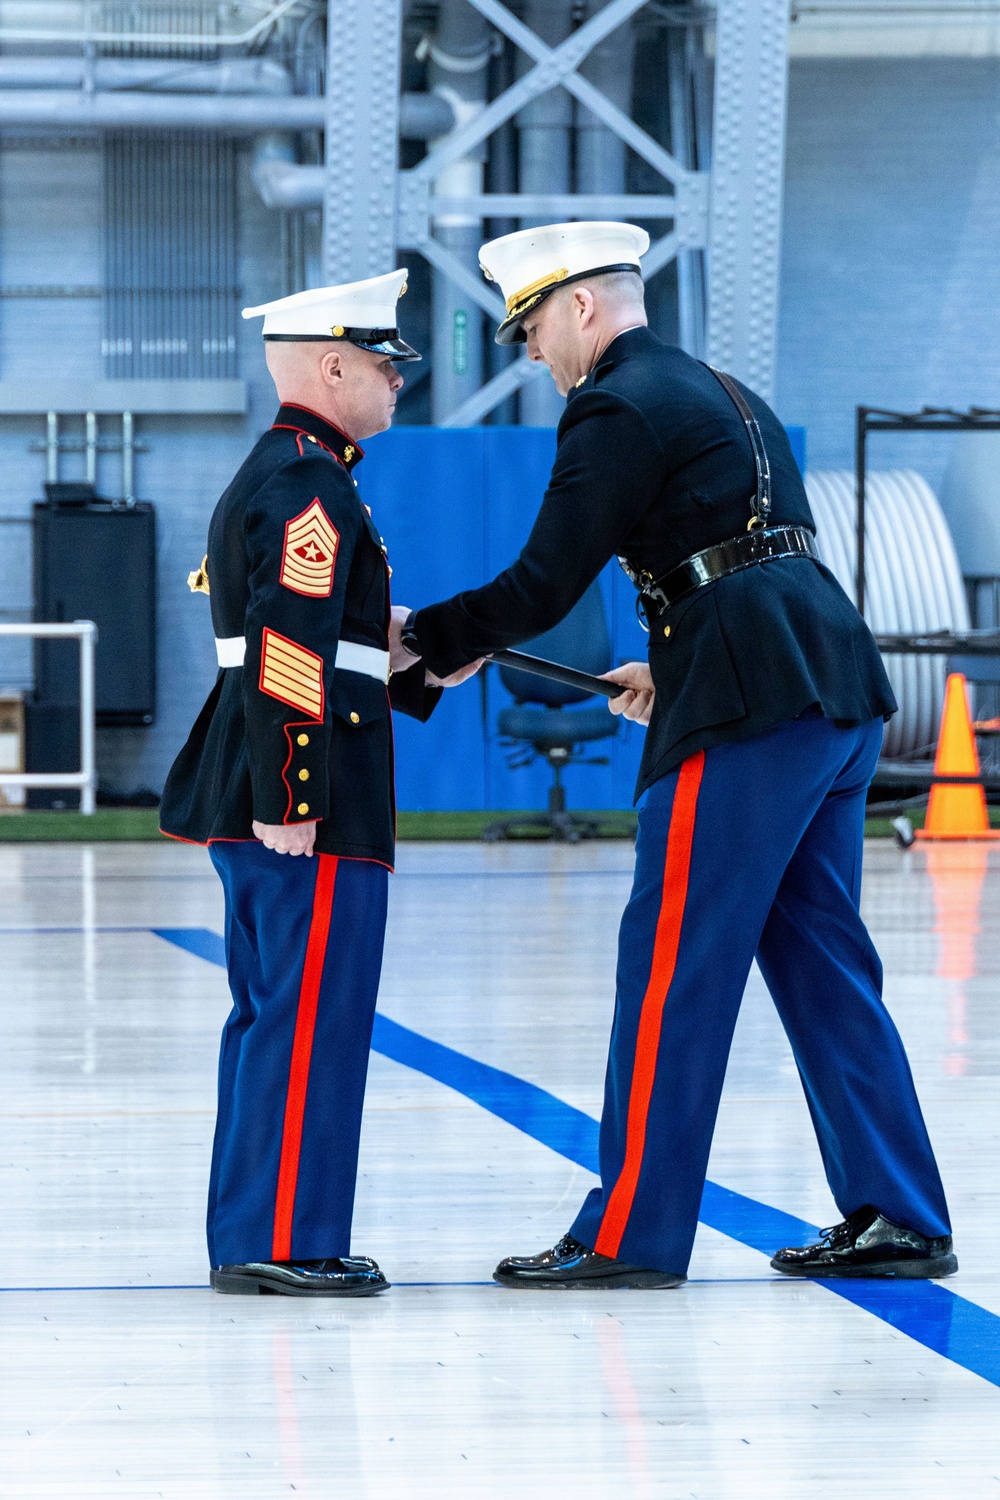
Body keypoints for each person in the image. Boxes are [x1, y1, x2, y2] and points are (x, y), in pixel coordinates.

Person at [391, 222, 957, 1290]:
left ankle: (629, 1236)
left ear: (584, 309)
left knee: (669, 971)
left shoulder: (611, 403)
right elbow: (750, 548)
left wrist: (424, 642)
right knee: (824, 961)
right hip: (829, 682)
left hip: (747, 701)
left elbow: (543, 584)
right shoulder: (724, 392)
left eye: (531, 325)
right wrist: (674, 660)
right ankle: (900, 1215)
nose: (527, 350)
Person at [160, 270, 466, 1297]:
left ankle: (264, 1231)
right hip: (306, 802)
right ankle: (283, 1243)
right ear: (332, 366)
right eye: (385, 367)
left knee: (274, 1017)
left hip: (285, 783)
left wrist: (419, 659)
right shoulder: (307, 482)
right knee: (306, 1020)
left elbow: (330, 646)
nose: (395, 386)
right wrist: (292, 797)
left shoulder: (294, 471)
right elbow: (286, 647)